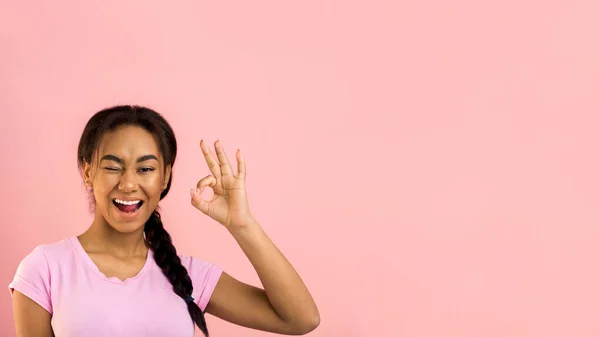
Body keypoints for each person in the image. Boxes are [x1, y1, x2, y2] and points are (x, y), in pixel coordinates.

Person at [9, 105, 320, 337]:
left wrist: (242, 225)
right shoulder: (45, 269)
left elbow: (300, 319)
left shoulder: (187, 275)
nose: (129, 184)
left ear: (165, 176)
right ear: (88, 171)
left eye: (145, 169)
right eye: (113, 167)